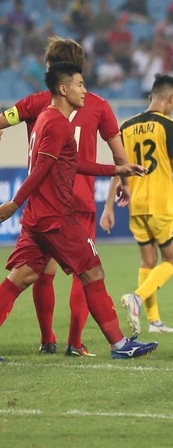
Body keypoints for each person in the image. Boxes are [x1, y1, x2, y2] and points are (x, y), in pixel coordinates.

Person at [0, 63, 155, 361]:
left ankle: (108, 343)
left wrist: (117, 169)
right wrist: (13, 203)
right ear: (63, 89)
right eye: (80, 84)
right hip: (56, 217)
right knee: (92, 271)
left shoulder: (47, 117)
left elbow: (72, 164)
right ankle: (118, 344)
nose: (85, 90)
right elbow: (42, 170)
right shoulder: (57, 123)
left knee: (21, 277)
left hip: (38, 217)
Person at [102, 74, 173, 336]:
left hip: (136, 205)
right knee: (172, 262)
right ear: (171, 99)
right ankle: (137, 298)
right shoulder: (168, 125)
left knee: (147, 261)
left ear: (151, 96)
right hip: (161, 204)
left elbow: (119, 170)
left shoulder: (126, 127)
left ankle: (154, 321)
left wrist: (108, 207)